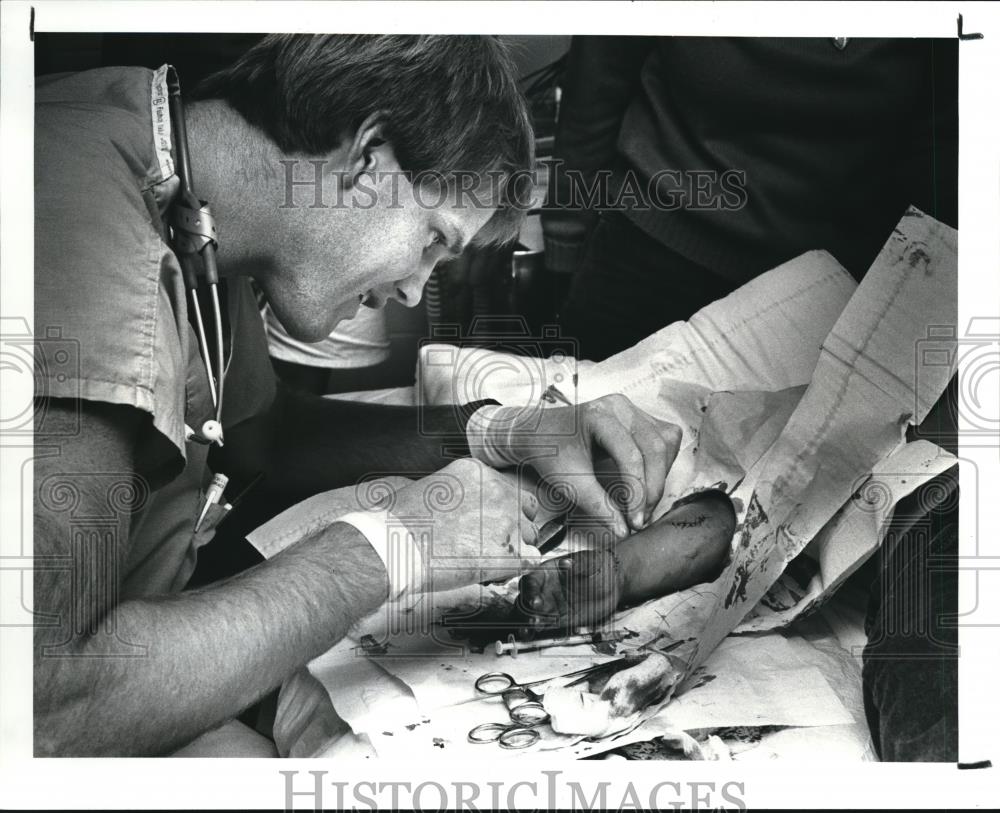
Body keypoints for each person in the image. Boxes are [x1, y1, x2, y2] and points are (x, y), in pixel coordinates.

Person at [32, 35, 683, 757]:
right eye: (434, 238)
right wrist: (394, 544)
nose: (412, 288)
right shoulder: (87, 236)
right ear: (369, 159)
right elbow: (50, 699)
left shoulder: (190, 183)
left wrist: (499, 431)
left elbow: (265, 435)